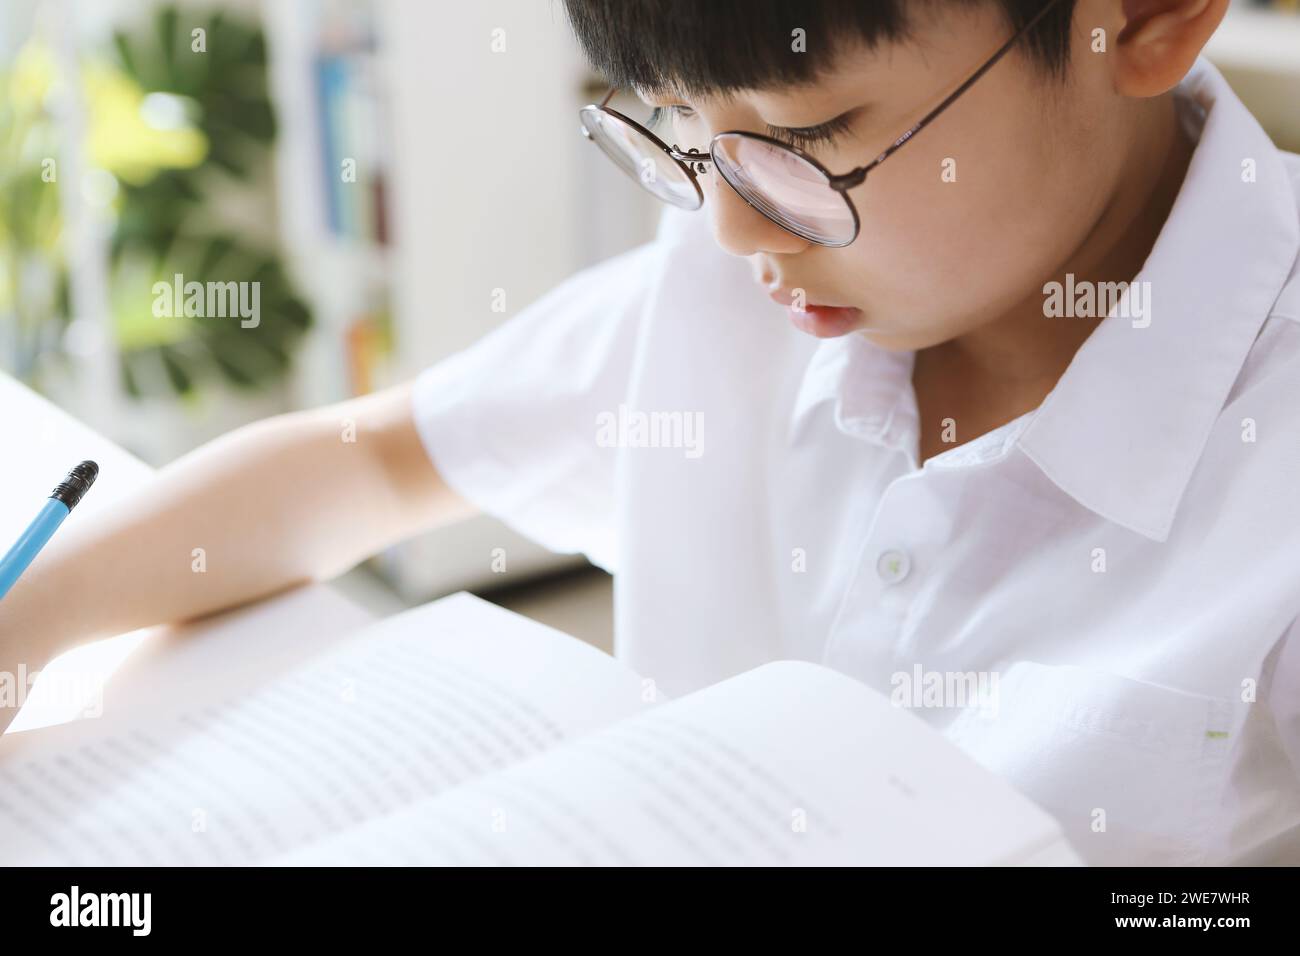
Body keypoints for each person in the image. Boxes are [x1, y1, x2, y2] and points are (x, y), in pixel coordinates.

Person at [3, 0, 1298, 864]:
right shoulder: (739, 281)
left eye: (804, 138)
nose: (729, 223)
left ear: (1137, 20)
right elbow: (372, 461)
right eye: (679, 128)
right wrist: (28, 625)